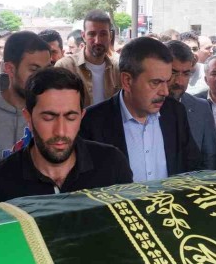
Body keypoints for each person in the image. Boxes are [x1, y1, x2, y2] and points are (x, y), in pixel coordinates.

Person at [0, 68, 133, 203]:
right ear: (28, 117)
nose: (60, 131)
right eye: (48, 118)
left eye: (70, 118)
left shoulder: (112, 165)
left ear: (81, 116)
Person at [80, 37, 201, 182]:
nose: (165, 91)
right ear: (127, 81)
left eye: (166, 81)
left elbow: (192, 166)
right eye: (155, 82)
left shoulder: (175, 112)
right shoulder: (91, 122)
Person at [0, 31, 51, 163]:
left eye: (47, 70)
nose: (43, 78)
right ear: (10, 69)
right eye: (34, 70)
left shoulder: (54, 110)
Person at [166, 41, 216, 170]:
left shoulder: (201, 108)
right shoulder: (144, 108)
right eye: (173, 72)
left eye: (186, 73)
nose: (179, 81)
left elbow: (210, 159)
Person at [55, 10, 120, 107]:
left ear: (110, 36)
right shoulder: (65, 67)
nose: (97, 41)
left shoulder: (117, 69)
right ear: (84, 36)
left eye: (103, 34)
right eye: (92, 34)